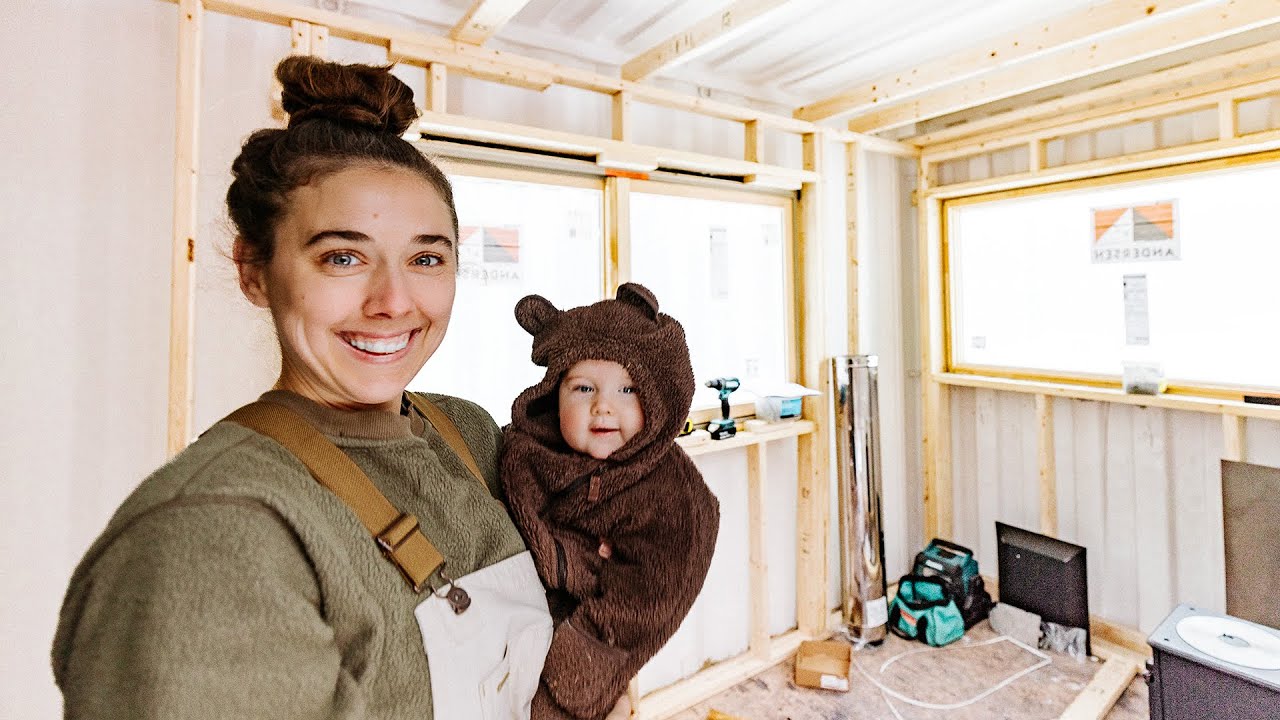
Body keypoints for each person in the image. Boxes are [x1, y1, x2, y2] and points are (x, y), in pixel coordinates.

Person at [52, 56, 628, 720]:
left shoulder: (466, 433)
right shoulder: (209, 538)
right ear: (255, 271)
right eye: (342, 257)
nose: (393, 300)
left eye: (425, 258)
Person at [501, 283, 721, 720]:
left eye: (627, 391)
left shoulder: (669, 492)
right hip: (506, 638)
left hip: (583, 663)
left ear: (657, 402)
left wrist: (574, 677)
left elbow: (648, 600)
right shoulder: (524, 452)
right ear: (552, 394)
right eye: (584, 389)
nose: (604, 407)